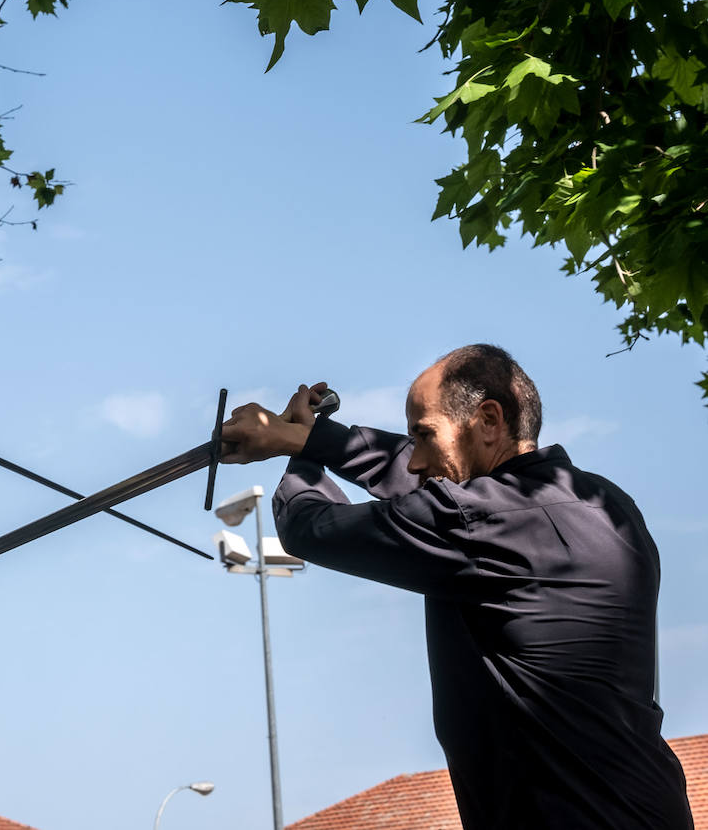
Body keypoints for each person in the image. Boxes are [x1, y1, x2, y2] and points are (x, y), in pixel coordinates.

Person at [219, 344, 692, 830]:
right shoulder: (606, 505)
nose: (419, 461)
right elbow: (430, 484)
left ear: (489, 420)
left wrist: (297, 454)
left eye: (426, 436)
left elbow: (312, 527)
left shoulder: (480, 522)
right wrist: (314, 437)